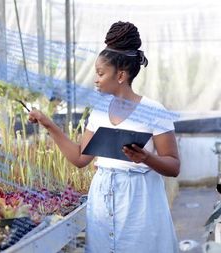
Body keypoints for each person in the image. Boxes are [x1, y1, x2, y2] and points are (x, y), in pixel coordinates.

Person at [28, 21, 180, 253]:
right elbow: (80, 158)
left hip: (139, 202)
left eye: (101, 73)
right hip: (102, 197)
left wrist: (146, 158)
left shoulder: (154, 110)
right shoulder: (99, 111)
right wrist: (48, 124)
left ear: (120, 75)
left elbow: (173, 165)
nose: (96, 79)